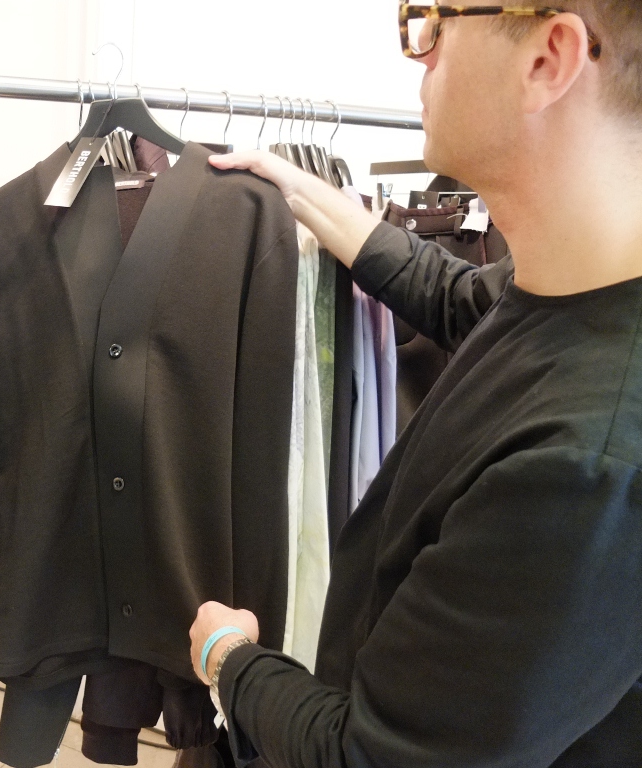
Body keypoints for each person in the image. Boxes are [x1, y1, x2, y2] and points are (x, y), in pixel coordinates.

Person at [189, 2, 642, 766]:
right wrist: (298, 187)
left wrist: (227, 659)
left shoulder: (585, 471)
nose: (421, 52)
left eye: (435, 20)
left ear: (548, 58)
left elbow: (372, 755)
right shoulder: (570, 285)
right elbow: (453, 294)